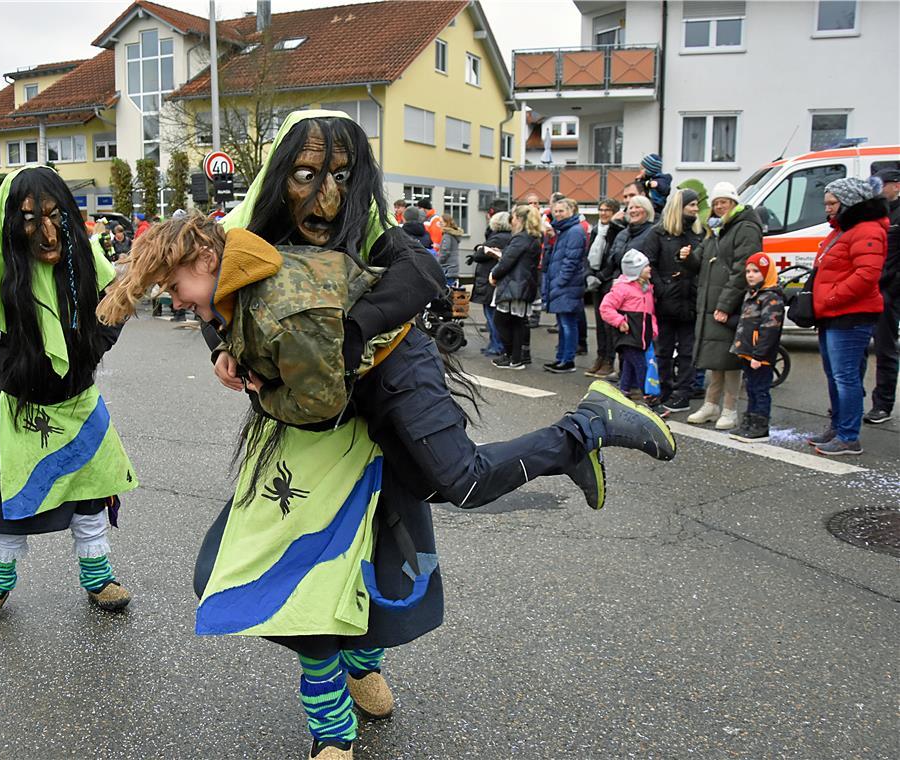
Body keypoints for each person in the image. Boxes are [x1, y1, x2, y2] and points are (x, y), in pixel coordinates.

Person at [101, 211, 676, 760]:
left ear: (204, 255)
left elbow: (319, 404)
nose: (176, 303)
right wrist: (227, 352)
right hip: (333, 422)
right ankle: (339, 711)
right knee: (300, 576)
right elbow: (250, 342)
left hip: (385, 384)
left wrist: (254, 383)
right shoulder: (240, 268)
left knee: (458, 487)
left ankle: (586, 426)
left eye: (175, 287)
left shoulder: (287, 301)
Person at [0, 166, 137, 622]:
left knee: (90, 496)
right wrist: (9, 361)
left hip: (79, 404)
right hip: (23, 411)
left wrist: (96, 347)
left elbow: (115, 303)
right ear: (13, 223)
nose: (47, 231)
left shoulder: (85, 257)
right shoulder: (2, 267)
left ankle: (98, 577)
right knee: (12, 502)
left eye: (55, 215)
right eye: (31, 218)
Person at [806, 177, 888, 456]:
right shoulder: (843, 230)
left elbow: (867, 275)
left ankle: (849, 436)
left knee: (846, 378)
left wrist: (830, 298)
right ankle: (838, 427)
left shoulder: (866, 230)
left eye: (832, 203)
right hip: (833, 315)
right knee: (834, 376)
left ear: (849, 202)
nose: (827, 208)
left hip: (851, 316)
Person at [682, 182, 762, 431]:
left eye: (723, 202)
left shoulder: (745, 228)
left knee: (730, 360)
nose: (718, 207)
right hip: (711, 303)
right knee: (715, 358)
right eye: (716, 203)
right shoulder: (718, 229)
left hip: (729, 305)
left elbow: (742, 270)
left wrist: (726, 303)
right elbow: (703, 265)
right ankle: (711, 404)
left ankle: (730, 408)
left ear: (734, 203)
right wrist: (687, 258)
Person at [639, 189, 703, 411]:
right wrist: (663, 289)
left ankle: (683, 393)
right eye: (692, 205)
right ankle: (664, 391)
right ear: (680, 207)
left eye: (696, 205)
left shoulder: (699, 234)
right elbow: (649, 264)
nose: (696, 209)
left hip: (690, 300)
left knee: (688, 351)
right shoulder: (657, 234)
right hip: (666, 302)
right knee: (663, 350)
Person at [727, 253, 785, 441]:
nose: (751, 275)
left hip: (760, 357)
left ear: (767, 274)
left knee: (760, 390)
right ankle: (749, 422)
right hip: (748, 354)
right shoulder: (752, 295)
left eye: (756, 271)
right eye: (748, 271)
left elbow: (769, 330)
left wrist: (759, 356)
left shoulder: (771, 298)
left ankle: (760, 426)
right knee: (751, 388)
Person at [863, 168, 900, 424]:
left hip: (889, 290)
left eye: (883, 184)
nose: (878, 188)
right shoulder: (876, 211)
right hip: (868, 289)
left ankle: (883, 405)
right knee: (860, 348)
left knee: (886, 349)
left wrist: (891, 287)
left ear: (896, 185)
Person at [489, 204, 542, 369]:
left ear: (518, 219)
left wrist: (494, 274)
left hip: (514, 284)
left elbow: (507, 261)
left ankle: (510, 355)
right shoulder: (532, 238)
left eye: (513, 217)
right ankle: (516, 358)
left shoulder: (520, 238)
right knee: (518, 322)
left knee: (501, 321)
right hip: (524, 284)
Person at [600, 249, 657, 400]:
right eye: (645, 266)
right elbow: (605, 307)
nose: (649, 268)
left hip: (642, 337)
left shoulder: (647, 290)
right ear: (636, 271)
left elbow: (650, 314)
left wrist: (654, 329)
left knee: (630, 366)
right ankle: (649, 397)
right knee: (641, 366)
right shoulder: (622, 288)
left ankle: (624, 390)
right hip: (627, 336)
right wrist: (619, 321)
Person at [542, 197, 588, 373]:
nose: (558, 214)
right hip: (561, 285)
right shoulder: (563, 231)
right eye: (556, 211)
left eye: (562, 211)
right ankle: (561, 358)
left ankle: (568, 360)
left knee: (568, 324)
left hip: (567, 285)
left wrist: (560, 282)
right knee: (563, 324)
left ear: (571, 211)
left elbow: (571, 261)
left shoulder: (574, 231)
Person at [585, 198, 622, 377]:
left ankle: (609, 360)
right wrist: (589, 274)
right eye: (601, 210)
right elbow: (588, 253)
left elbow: (614, 258)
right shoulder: (595, 230)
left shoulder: (617, 230)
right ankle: (600, 357)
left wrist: (601, 276)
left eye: (607, 210)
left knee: (609, 324)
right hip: (595, 279)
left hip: (608, 280)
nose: (603, 213)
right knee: (599, 323)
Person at [470, 211, 509, 357]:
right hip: (496, 280)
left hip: (488, 281)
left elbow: (479, 256)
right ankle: (496, 345)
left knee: (492, 316)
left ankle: (496, 346)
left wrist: (480, 248)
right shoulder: (509, 237)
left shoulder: (497, 238)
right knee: (495, 316)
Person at [437, 213, 462, 285]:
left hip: (447, 268)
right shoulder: (453, 235)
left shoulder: (447, 235)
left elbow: (445, 251)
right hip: (453, 267)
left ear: (446, 223)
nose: (440, 224)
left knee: (447, 291)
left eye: (441, 222)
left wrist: (438, 262)